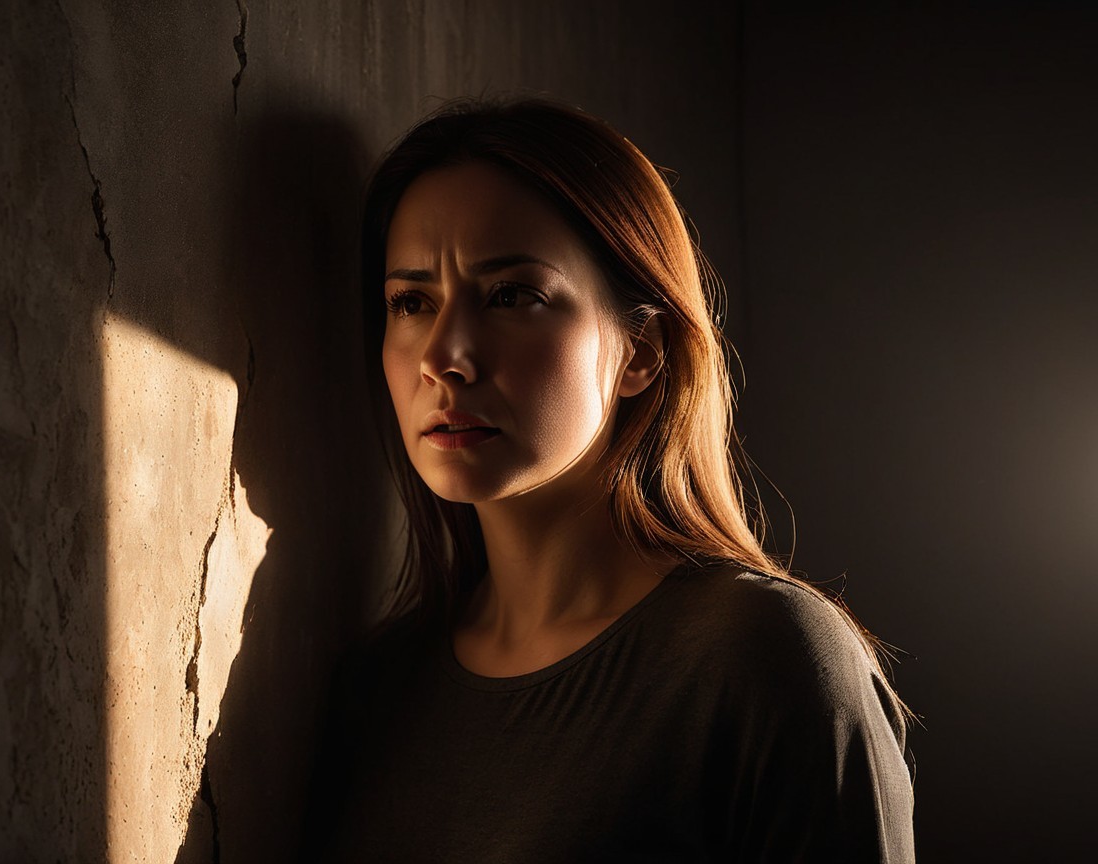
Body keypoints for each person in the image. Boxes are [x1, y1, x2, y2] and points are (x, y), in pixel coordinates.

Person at [307, 98, 915, 862]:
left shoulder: (769, 665)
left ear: (642, 351)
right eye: (411, 302)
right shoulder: (376, 690)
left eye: (512, 295)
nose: (444, 355)